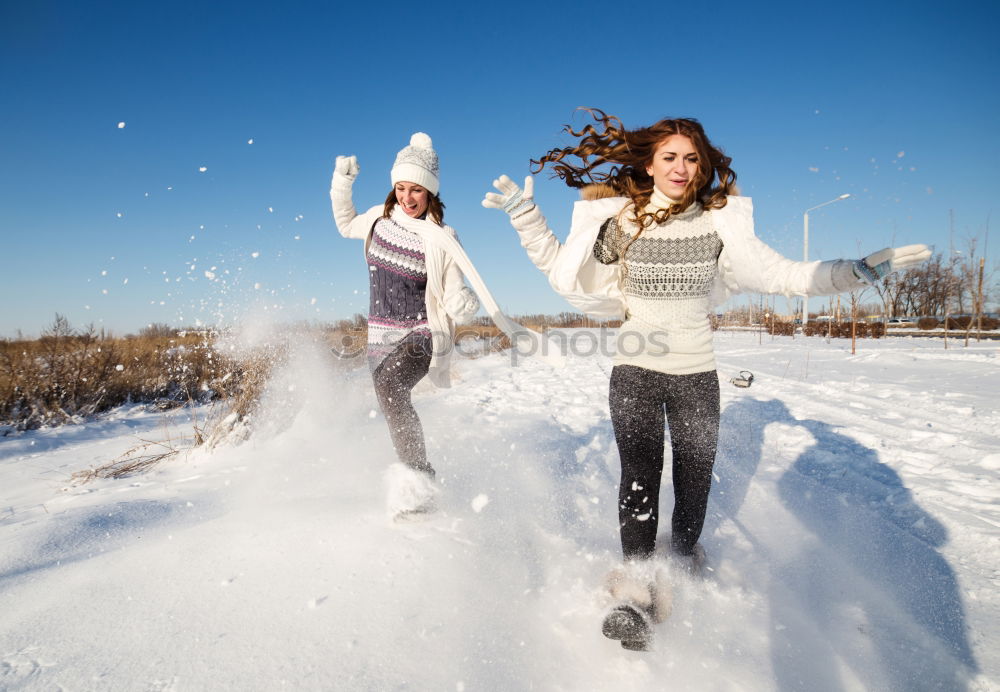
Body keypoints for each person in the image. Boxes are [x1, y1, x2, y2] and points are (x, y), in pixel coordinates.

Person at [483, 109, 930, 649]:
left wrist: (852, 271)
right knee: (640, 478)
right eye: (669, 157)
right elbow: (562, 268)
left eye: (691, 159)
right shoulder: (622, 223)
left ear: (702, 167)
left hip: (696, 375)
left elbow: (782, 273)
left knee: (694, 484)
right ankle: (636, 591)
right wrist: (524, 215)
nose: (681, 167)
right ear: (648, 164)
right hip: (635, 372)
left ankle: (685, 556)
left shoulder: (719, 224)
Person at [331, 132, 480, 519]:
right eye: (400, 187)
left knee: (390, 384)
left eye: (416, 190)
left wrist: (461, 302)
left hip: (422, 332)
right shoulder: (378, 222)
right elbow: (345, 223)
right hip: (381, 334)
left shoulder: (443, 237)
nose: (407, 197)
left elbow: (451, 288)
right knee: (389, 398)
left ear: (430, 192)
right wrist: (342, 182)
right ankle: (421, 478)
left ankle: (418, 483)